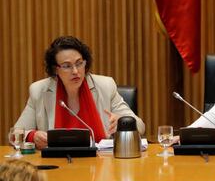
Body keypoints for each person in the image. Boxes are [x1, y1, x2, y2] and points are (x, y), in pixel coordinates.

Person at [14, 36, 145, 149]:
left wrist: (124, 123)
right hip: (56, 167)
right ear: (55, 69)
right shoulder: (39, 91)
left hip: (101, 166)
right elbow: (15, 134)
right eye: (67, 66)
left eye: (79, 63)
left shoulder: (105, 86)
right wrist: (32, 136)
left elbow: (140, 126)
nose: (75, 71)